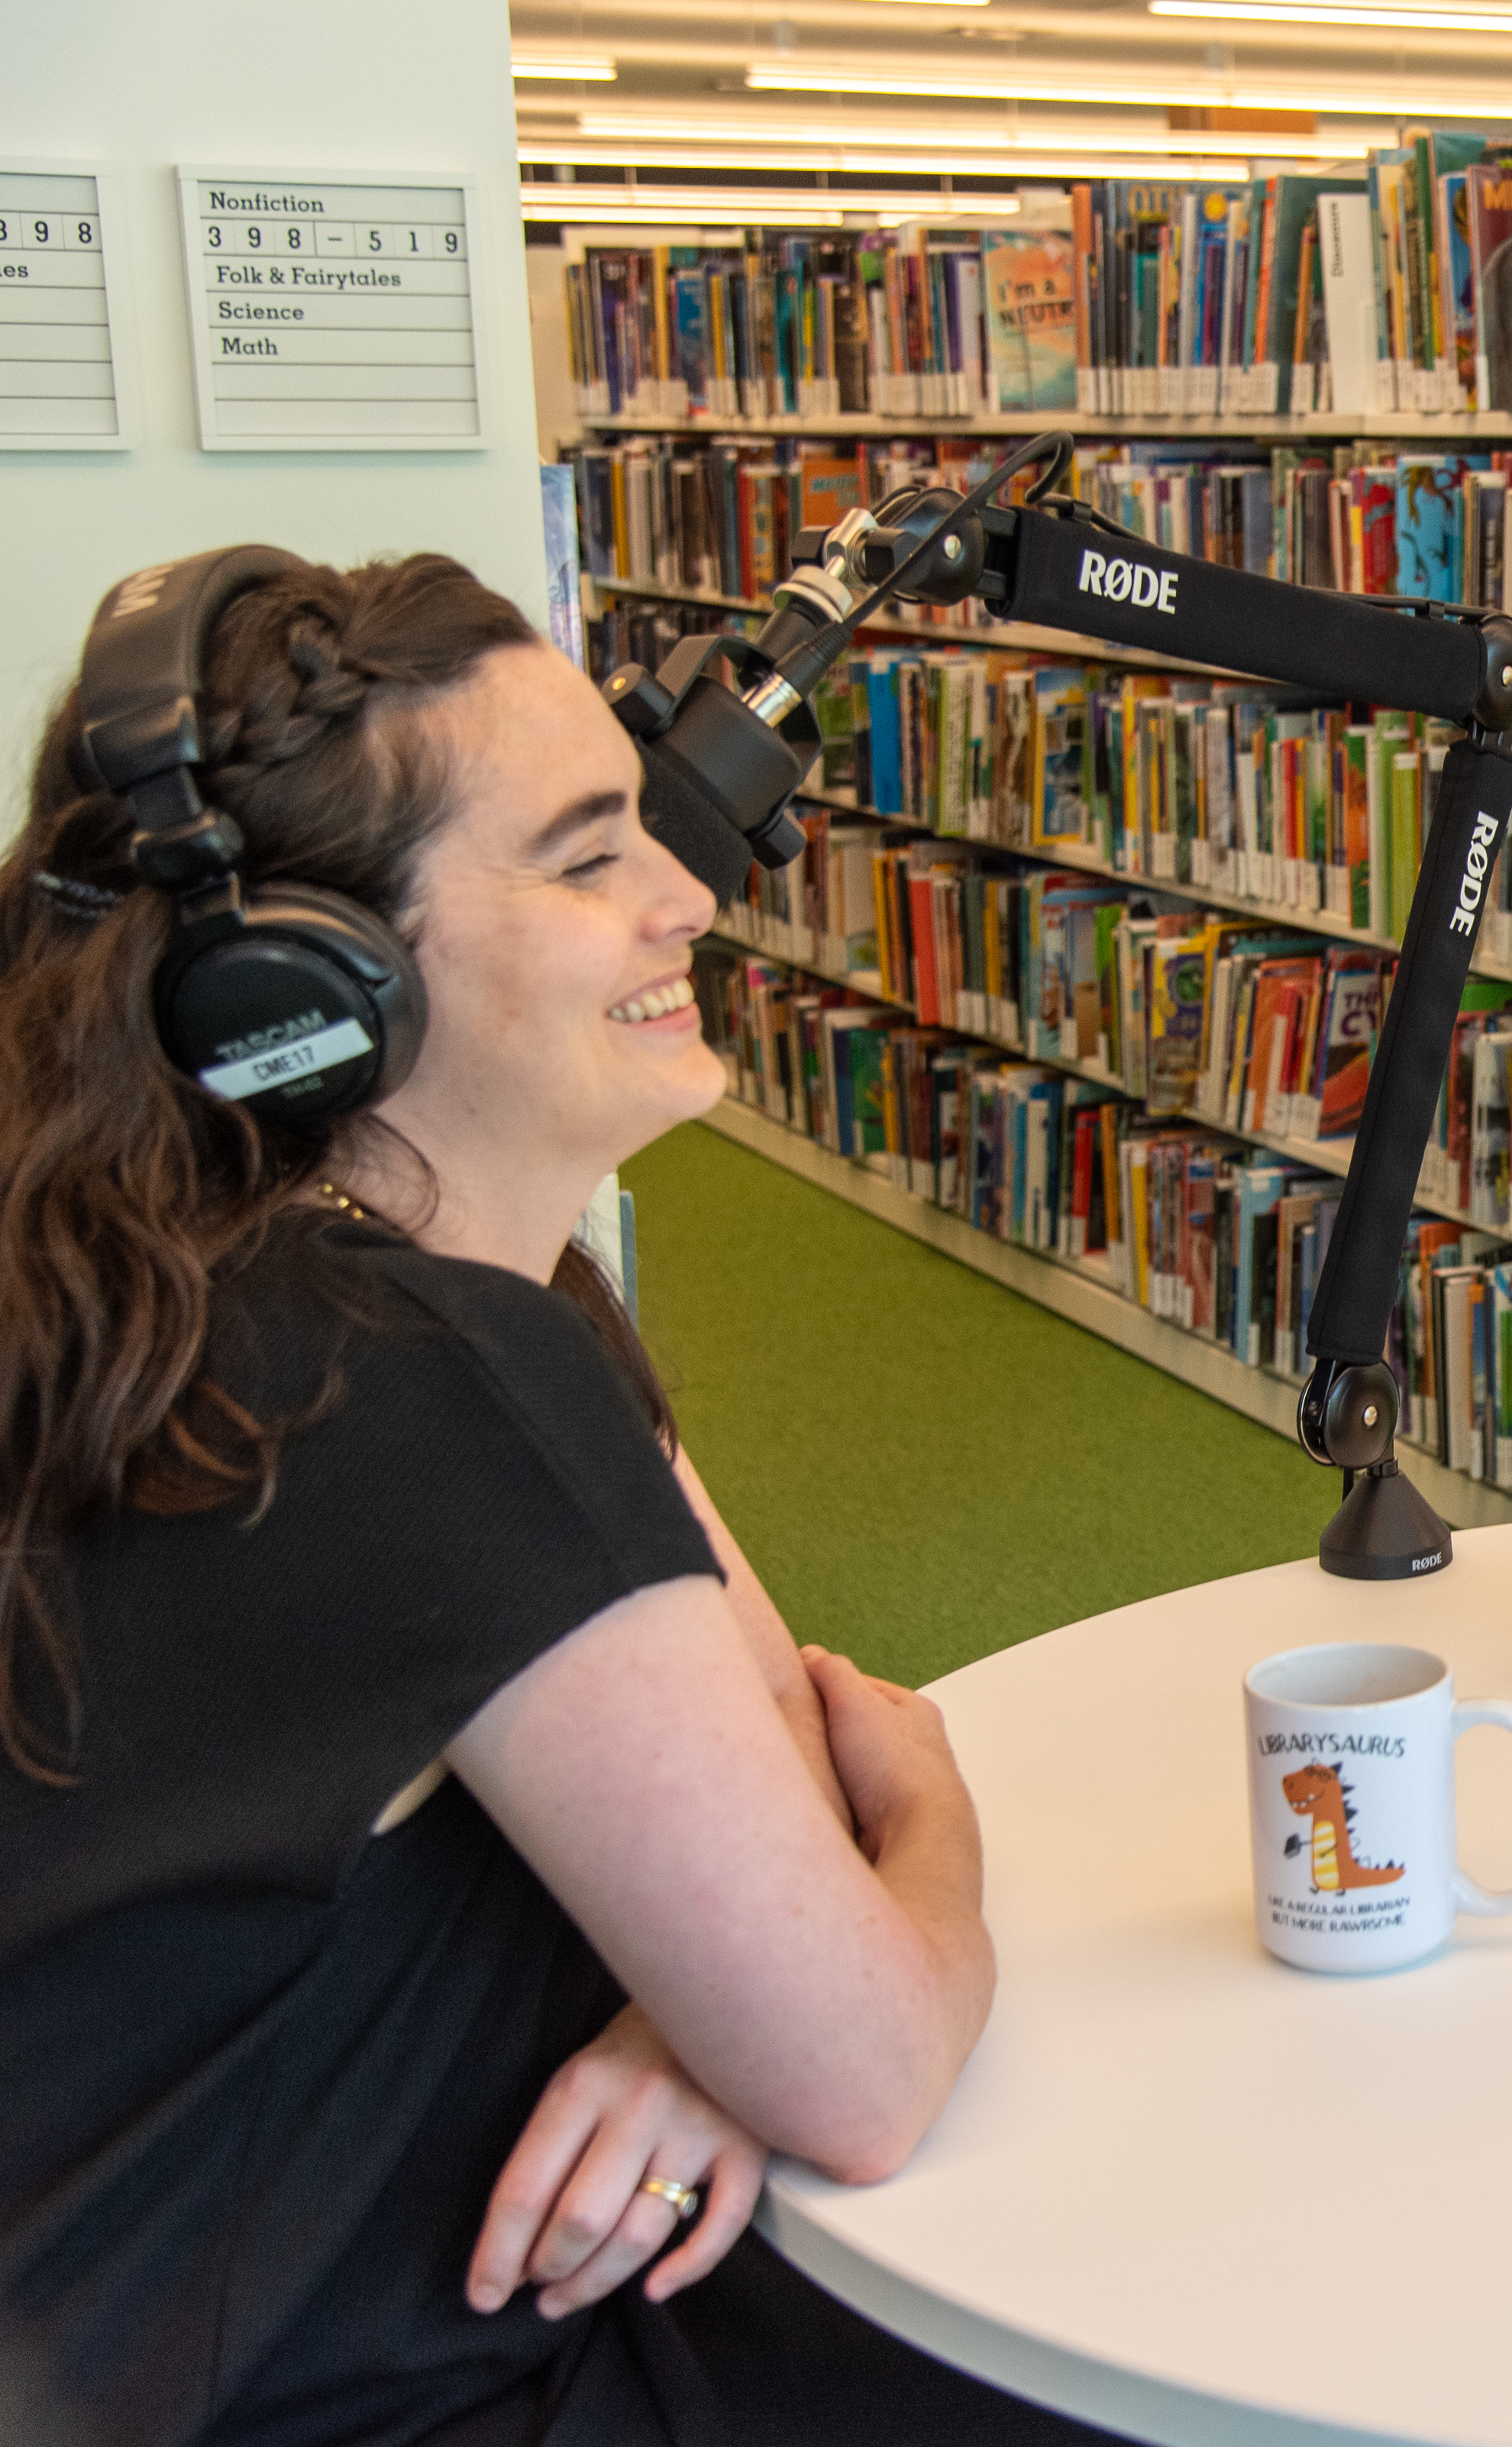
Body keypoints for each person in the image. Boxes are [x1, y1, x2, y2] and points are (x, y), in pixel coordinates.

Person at [0, 551, 1128, 2444]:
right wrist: (928, 1812)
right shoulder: (412, 1377)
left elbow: (774, 1744)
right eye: (587, 855)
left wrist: (702, 2019)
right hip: (384, 2393)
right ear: (314, 983)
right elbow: (863, 2035)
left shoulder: (258, 1285)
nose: (689, 893)